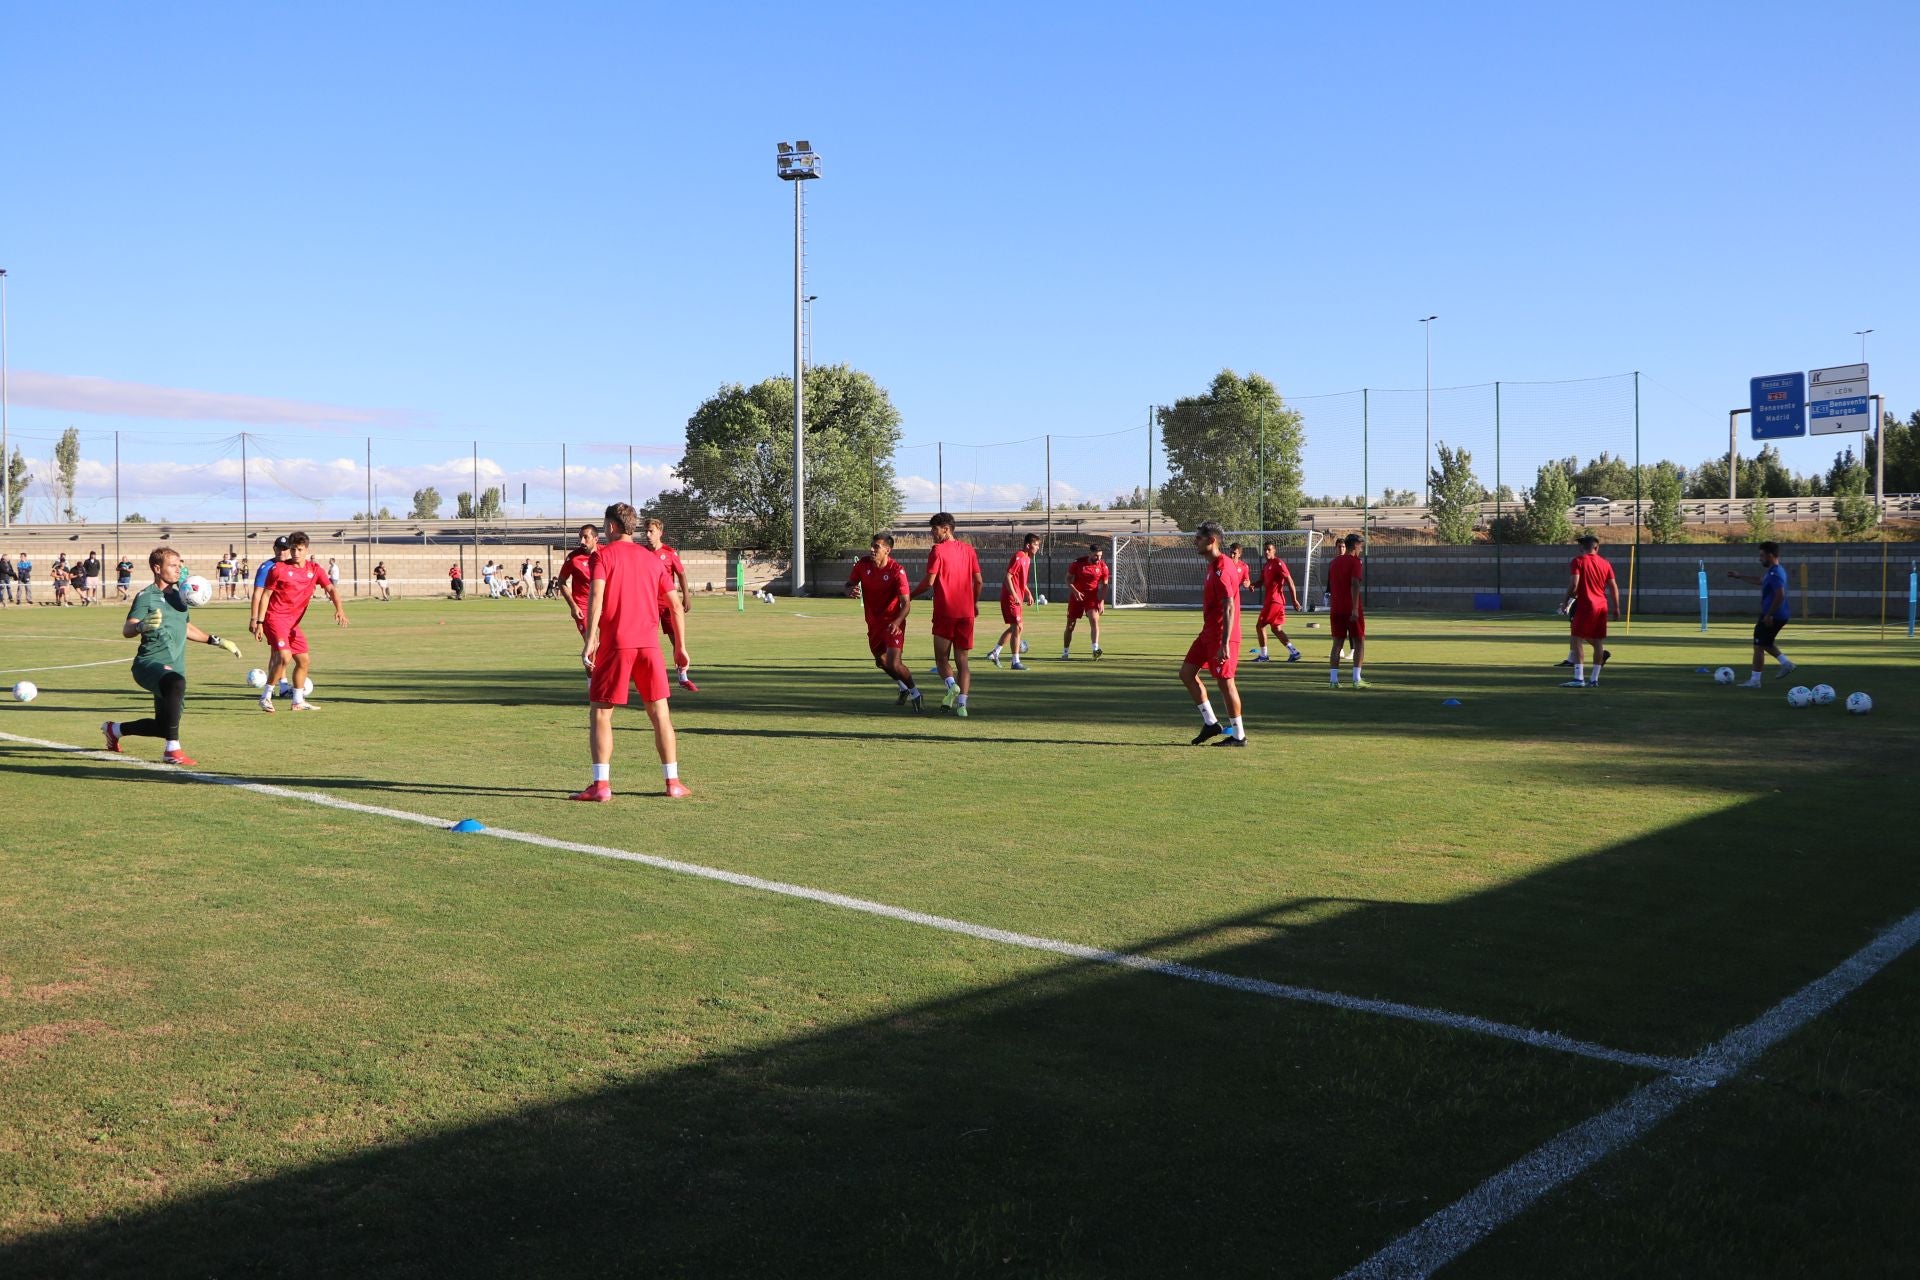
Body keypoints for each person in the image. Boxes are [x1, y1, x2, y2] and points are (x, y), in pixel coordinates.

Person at [575, 502, 689, 800]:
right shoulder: (653, 560)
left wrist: (590, 640)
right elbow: (676, 606)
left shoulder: (603, 556)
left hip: (616, 646)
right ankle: (673, 782)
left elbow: (596, 597)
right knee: (660, 713)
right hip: (650, 646)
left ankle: (601, 786)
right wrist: (681, 648)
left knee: (601, 713)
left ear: (612, 526)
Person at [101, 546, 244, 767]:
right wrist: (141, 625)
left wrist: (217, 640)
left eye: (180, 565)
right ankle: (172, 752)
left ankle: (115, 730)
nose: (179, 570)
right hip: (149, 664)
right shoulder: (146, 596)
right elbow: (127, 629)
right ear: (157, 568)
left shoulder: (180, 597)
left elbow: (185, 628)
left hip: (174, 666)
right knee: (176, 684)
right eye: (173, 566)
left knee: (164, 725)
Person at [253, 531, 349, 712]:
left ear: (306, 550)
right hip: (275, 618)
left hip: (292, 624)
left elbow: (331, 589)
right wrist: (259, 622)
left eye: (299, 549)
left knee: (304, 660)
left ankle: (298, 701)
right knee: (284, 656)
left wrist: (339, 609)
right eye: (293, 549)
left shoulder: (315, 570)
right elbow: (265, 596)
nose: (295, 553)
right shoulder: (278, 569)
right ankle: (266, 696)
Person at [1181, 521, 1248, 746]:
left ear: (1212, 541)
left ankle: (1239, 736)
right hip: (1208, 633)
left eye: (1199, 538)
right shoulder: (1212, 566)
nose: (1195, 541)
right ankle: (1211, 723)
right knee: (1187, 673)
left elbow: (1229, 605)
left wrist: (1225, 642)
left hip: (1222, 635)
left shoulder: (1221, 569)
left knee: (1225, 682)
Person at [912, 512, 982, 716]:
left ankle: (951, 686)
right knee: (963, 661)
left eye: (934, 529)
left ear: (946, 529)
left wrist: (910, 596)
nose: (932, 534)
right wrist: (974, 603)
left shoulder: (938, 550)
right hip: (966, 614)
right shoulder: (969, 550)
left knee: (941, 659)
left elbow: (929, 582)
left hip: (945, 612)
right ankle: (962, 706)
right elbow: (979, 581)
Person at [845, 533, 922, 709]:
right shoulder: (862, 565)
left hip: (893, 622)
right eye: (871, 546)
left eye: (876, 547)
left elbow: (906, 603)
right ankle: (903, 687)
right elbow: (848, 584)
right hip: (873, 622)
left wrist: (897, 621)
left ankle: (916, 694)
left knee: (894, 662)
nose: (872, 549)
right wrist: (848, 591)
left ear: (887, 550)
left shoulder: (897, 570)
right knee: (881, 661)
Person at [1727, 541, 1795, 687]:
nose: (1760, 559)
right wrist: (1739, 576)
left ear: (1770, 555)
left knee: (1759, 645)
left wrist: (1769, 615)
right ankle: (1786, 663)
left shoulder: (1776, 573)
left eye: (1762, 555)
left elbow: (1780, 594)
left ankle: (1755, 681)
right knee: (1765, 643)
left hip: (1774, 615)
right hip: (1776, 615)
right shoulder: (1772, 571)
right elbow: (1759, 580)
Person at [641, 519, 697, 690]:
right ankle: (643, 676)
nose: (648, 535)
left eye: (651, 531)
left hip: (667, 604)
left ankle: (682, 676)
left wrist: (686, 595)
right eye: (646, 531)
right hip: (646, 604)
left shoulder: (670, 553)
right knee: (644, 641)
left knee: (676, 641)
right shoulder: (641, 552)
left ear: (660, 532)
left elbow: (681, 574)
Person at [1558, 535, 1620, 688]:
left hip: (1586, 605)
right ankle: (1594, 679)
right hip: (1602, 606)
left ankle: (1579, 678)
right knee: (1598, 641)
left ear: (1581, 548)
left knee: (1576, 639)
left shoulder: (1578, 561)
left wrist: (1566, 601)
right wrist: (1617, 607)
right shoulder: (1605, 563)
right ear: (1596, 547)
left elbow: (1574, 584)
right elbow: (1613, 586)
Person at [249, 537, 295, 696]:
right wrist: (255, 619)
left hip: (286, 616)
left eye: (285, 548)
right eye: (279, 548)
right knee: (280, 652)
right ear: (274, 549)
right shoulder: (267, 567)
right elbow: (257, 594)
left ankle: (279, 686)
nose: (282, 552)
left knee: (278, 651)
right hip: (270, 616)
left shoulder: (292, 566)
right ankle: (280, 687)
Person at [986, 533, 1039, 669]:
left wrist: (1028, 593)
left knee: (1016, 627)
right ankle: (1015, 662)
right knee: (1017, 627)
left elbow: (1021, 582)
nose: (1038, 547)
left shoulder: (1027, 559)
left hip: (1017, 598)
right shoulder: (1019, 557)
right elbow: (1007, 578)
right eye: (1036, 545)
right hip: (1010, 598)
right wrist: (1015, 595)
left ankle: (995, 652)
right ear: (1028, 545)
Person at [1327, 533, 1368, 688]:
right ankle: (1356, 679)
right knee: (1359, 641)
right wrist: (1355, 608)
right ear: (1355, 546)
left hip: (1336, 608)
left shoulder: (1334, 563)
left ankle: (1333, 680)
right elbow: (1354, 584)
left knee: (1337, 643)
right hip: (1351, 608)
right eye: (1360, 546)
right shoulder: (1355, 562)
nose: (1361, 549)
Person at [1252, 542, 1302, 662]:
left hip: (1274, 602)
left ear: (1274, 551)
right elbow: (1260, 581)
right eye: (1265, 550)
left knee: (1260, 626)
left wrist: (1294, 599)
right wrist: (1252, 585)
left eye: (1269, 549)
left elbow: (1289, 580)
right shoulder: (1266, 566)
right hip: (1274, 602)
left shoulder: (1278, 563)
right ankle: (1294, 652)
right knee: (1276, 629)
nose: (1266, 552)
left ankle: (1263, 655)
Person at [1061, 543, 1110, 658]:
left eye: (1100, 556)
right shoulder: (1077, 563)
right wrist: (1075, 591)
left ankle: (1095, 650)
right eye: (1096, 556)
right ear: (1090, 553)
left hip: (1091, 598)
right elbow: (1067, 579)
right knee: (1070, 626)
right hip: (1076, 597)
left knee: (1094, 620)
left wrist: (1102, 601)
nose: (1098, 559)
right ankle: (1065, 652)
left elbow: (1105, 585)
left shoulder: (1103, 566)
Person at [556, 524, 599, 637]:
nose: (582, 541)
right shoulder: (574, 558)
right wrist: (573, 606)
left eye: (585, 537)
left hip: (603, 603)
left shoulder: (606, 553)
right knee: (592, 644)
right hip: (583, 606)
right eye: (580, 537)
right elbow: (561, 581)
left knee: (609, 644)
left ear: (596, 539)